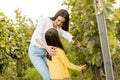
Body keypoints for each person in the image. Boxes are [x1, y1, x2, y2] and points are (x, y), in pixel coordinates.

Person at [28, 9, 81, 80]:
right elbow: (37, 37)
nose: (59, 23)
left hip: (47, 52)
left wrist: (77, 43)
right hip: (35, 52)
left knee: (54, 75)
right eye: (58, 20)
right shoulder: (44, 20)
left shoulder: (59, 27)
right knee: (47, 77)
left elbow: (68, 36)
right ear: (56, 16)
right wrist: (46, 47)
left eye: (62, 22)